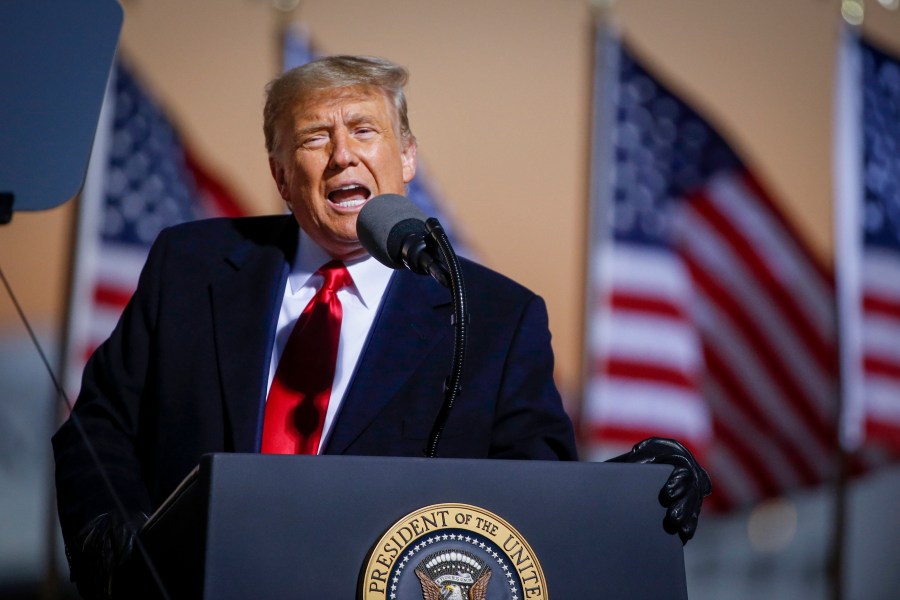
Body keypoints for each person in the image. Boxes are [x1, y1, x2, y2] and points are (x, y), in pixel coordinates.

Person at [52, 55, 710, 599]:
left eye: (364, 131)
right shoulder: (190, 267)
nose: (343, 157)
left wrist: (632, 485)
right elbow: (98, 424)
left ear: (408, 157)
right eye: (315, 138)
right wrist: (118, 547)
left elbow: (532, 494)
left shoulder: (496, 319)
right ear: (282, 175)